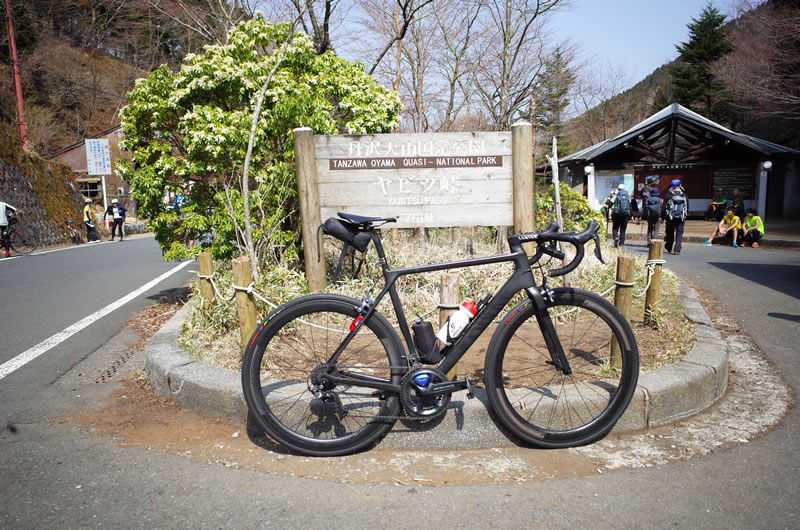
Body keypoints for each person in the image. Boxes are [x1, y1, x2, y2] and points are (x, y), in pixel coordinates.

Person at [662, 179, 688, 255]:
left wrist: (662, 217)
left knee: (670, 232)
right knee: (679, 233)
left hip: (670, 217)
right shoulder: (684, 195)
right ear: (680, 185)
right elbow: (687, 207)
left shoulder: (668, 195)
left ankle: (669, 247)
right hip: (681, 217)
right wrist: (684, 216)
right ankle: (677, 249)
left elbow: (664, 207)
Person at [611, 184, 632, 248]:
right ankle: (621, 243)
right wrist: (631, 215)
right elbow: (630, 206)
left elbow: (609, 204)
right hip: (625, 215)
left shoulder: (616, 196)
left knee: (615, 227)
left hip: (616, 214)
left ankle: (616, 238)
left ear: (618, 189)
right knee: (623, 229)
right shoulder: (627, 196)